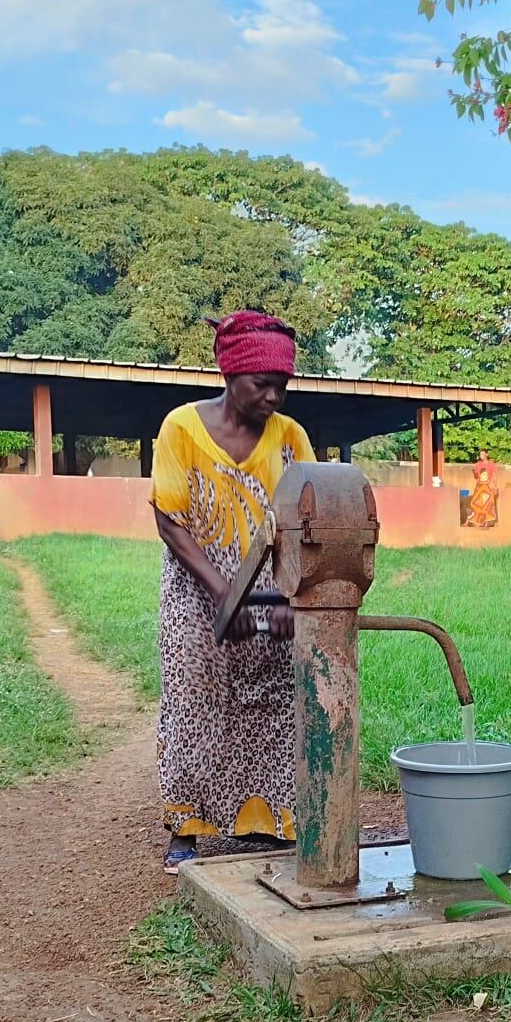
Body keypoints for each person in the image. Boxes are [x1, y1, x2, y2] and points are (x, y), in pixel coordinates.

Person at [151, 311, 312, 873]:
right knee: (196, 697)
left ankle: (264, 820)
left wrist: (292, 595)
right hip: (200, 585)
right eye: (260, 384)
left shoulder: (292, 439)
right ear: (230, 374)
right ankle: (186, 830)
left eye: (281, 386)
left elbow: (304, 523)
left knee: (271, 698)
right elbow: (170, 520)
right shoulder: (181, 428)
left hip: (271, 587)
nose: (273, 397)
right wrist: (225, 594)